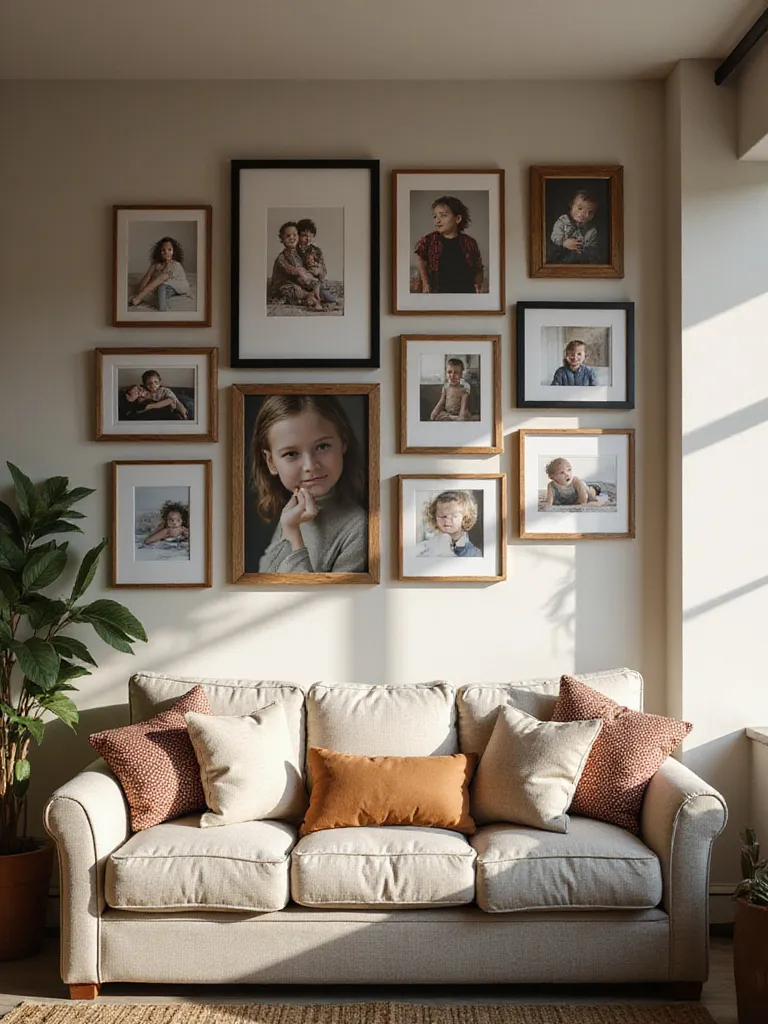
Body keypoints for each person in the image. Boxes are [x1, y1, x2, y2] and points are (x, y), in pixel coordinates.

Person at [251, 394, 367, 574]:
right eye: (291, 454)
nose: (310, 466)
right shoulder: (294, 510)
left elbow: (313, 600)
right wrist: (289, 527)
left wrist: (293, 536)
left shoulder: (357, 526)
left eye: (322, 447)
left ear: (343, 443)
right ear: (271, 462)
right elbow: (264, 577)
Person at [414, 196, 484, 294]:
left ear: (458, 218)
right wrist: (425, 284)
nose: (437, 220)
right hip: (438, 292)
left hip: (465, 292)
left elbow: (478, 268)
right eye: (435, 216)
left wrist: (478, 286)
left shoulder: (469, 242)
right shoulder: (429, 240)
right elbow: (421, 263)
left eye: (443, 215)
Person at [269, 221, 323, 310]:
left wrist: (314, 282)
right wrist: (303, 274)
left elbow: (307, 271)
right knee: (297, 289)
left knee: (315, 285)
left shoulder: (298, 254)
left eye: (294, 235)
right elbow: (294, 271)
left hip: (297, 282)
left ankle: (311, 297)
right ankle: (309, 298)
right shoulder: (281, 257)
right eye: (288, 236)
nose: (292, 238)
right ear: (282, 239)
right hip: (283, 286)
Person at [130, 236, 191, 310]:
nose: (166, 253)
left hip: (176, 286)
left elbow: (160, 279)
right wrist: (140, 290)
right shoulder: (156, 263)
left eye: (169, 250)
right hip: (164, 284)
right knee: (152, 290)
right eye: (163, 250)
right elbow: (147, 276)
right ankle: (153, 299)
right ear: (159, 252)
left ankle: (162, 308)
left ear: (174, 251)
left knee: (161, 286)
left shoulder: (174, 265)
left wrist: (139, 297)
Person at [418, 490, 481, 557]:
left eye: (454, 516)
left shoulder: (474, 553)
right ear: (434, 517)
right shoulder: (425, 548)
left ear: (465, 517)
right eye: (442, 516)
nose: (447, 521)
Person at [296, 218, 339, 306]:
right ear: (298, 235)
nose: (308, 239)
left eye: (311, 236)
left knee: (328, 296)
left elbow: (323, 272)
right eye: (304, 236)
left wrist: (319, 270)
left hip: (315, 281)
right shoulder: (293, 250)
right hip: (299, 281)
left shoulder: (316, 250)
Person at [549, 191, 600, 263]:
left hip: (580, 259)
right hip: (562, 255)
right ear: (571, 206)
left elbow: (593, 248)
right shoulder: (563, 220)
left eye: (590, 212)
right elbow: (555, 236)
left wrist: (584, 250)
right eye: (580, 208)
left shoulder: (592, 230)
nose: (583, 214)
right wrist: (564, 242)